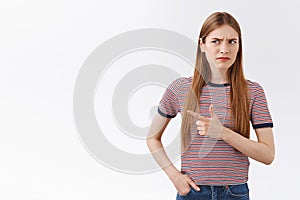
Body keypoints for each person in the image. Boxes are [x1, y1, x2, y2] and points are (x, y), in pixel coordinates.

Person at [146, 12, 275, 200]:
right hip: (194, 192)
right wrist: (174, 176)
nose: (224, 49)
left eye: (232, 41)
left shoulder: (253, 92)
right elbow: (152, 138)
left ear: (239, 46)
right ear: (202, 45)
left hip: (235, 192)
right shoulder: (180, 88)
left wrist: (222, 133)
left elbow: (268, 155)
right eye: (216, 41)